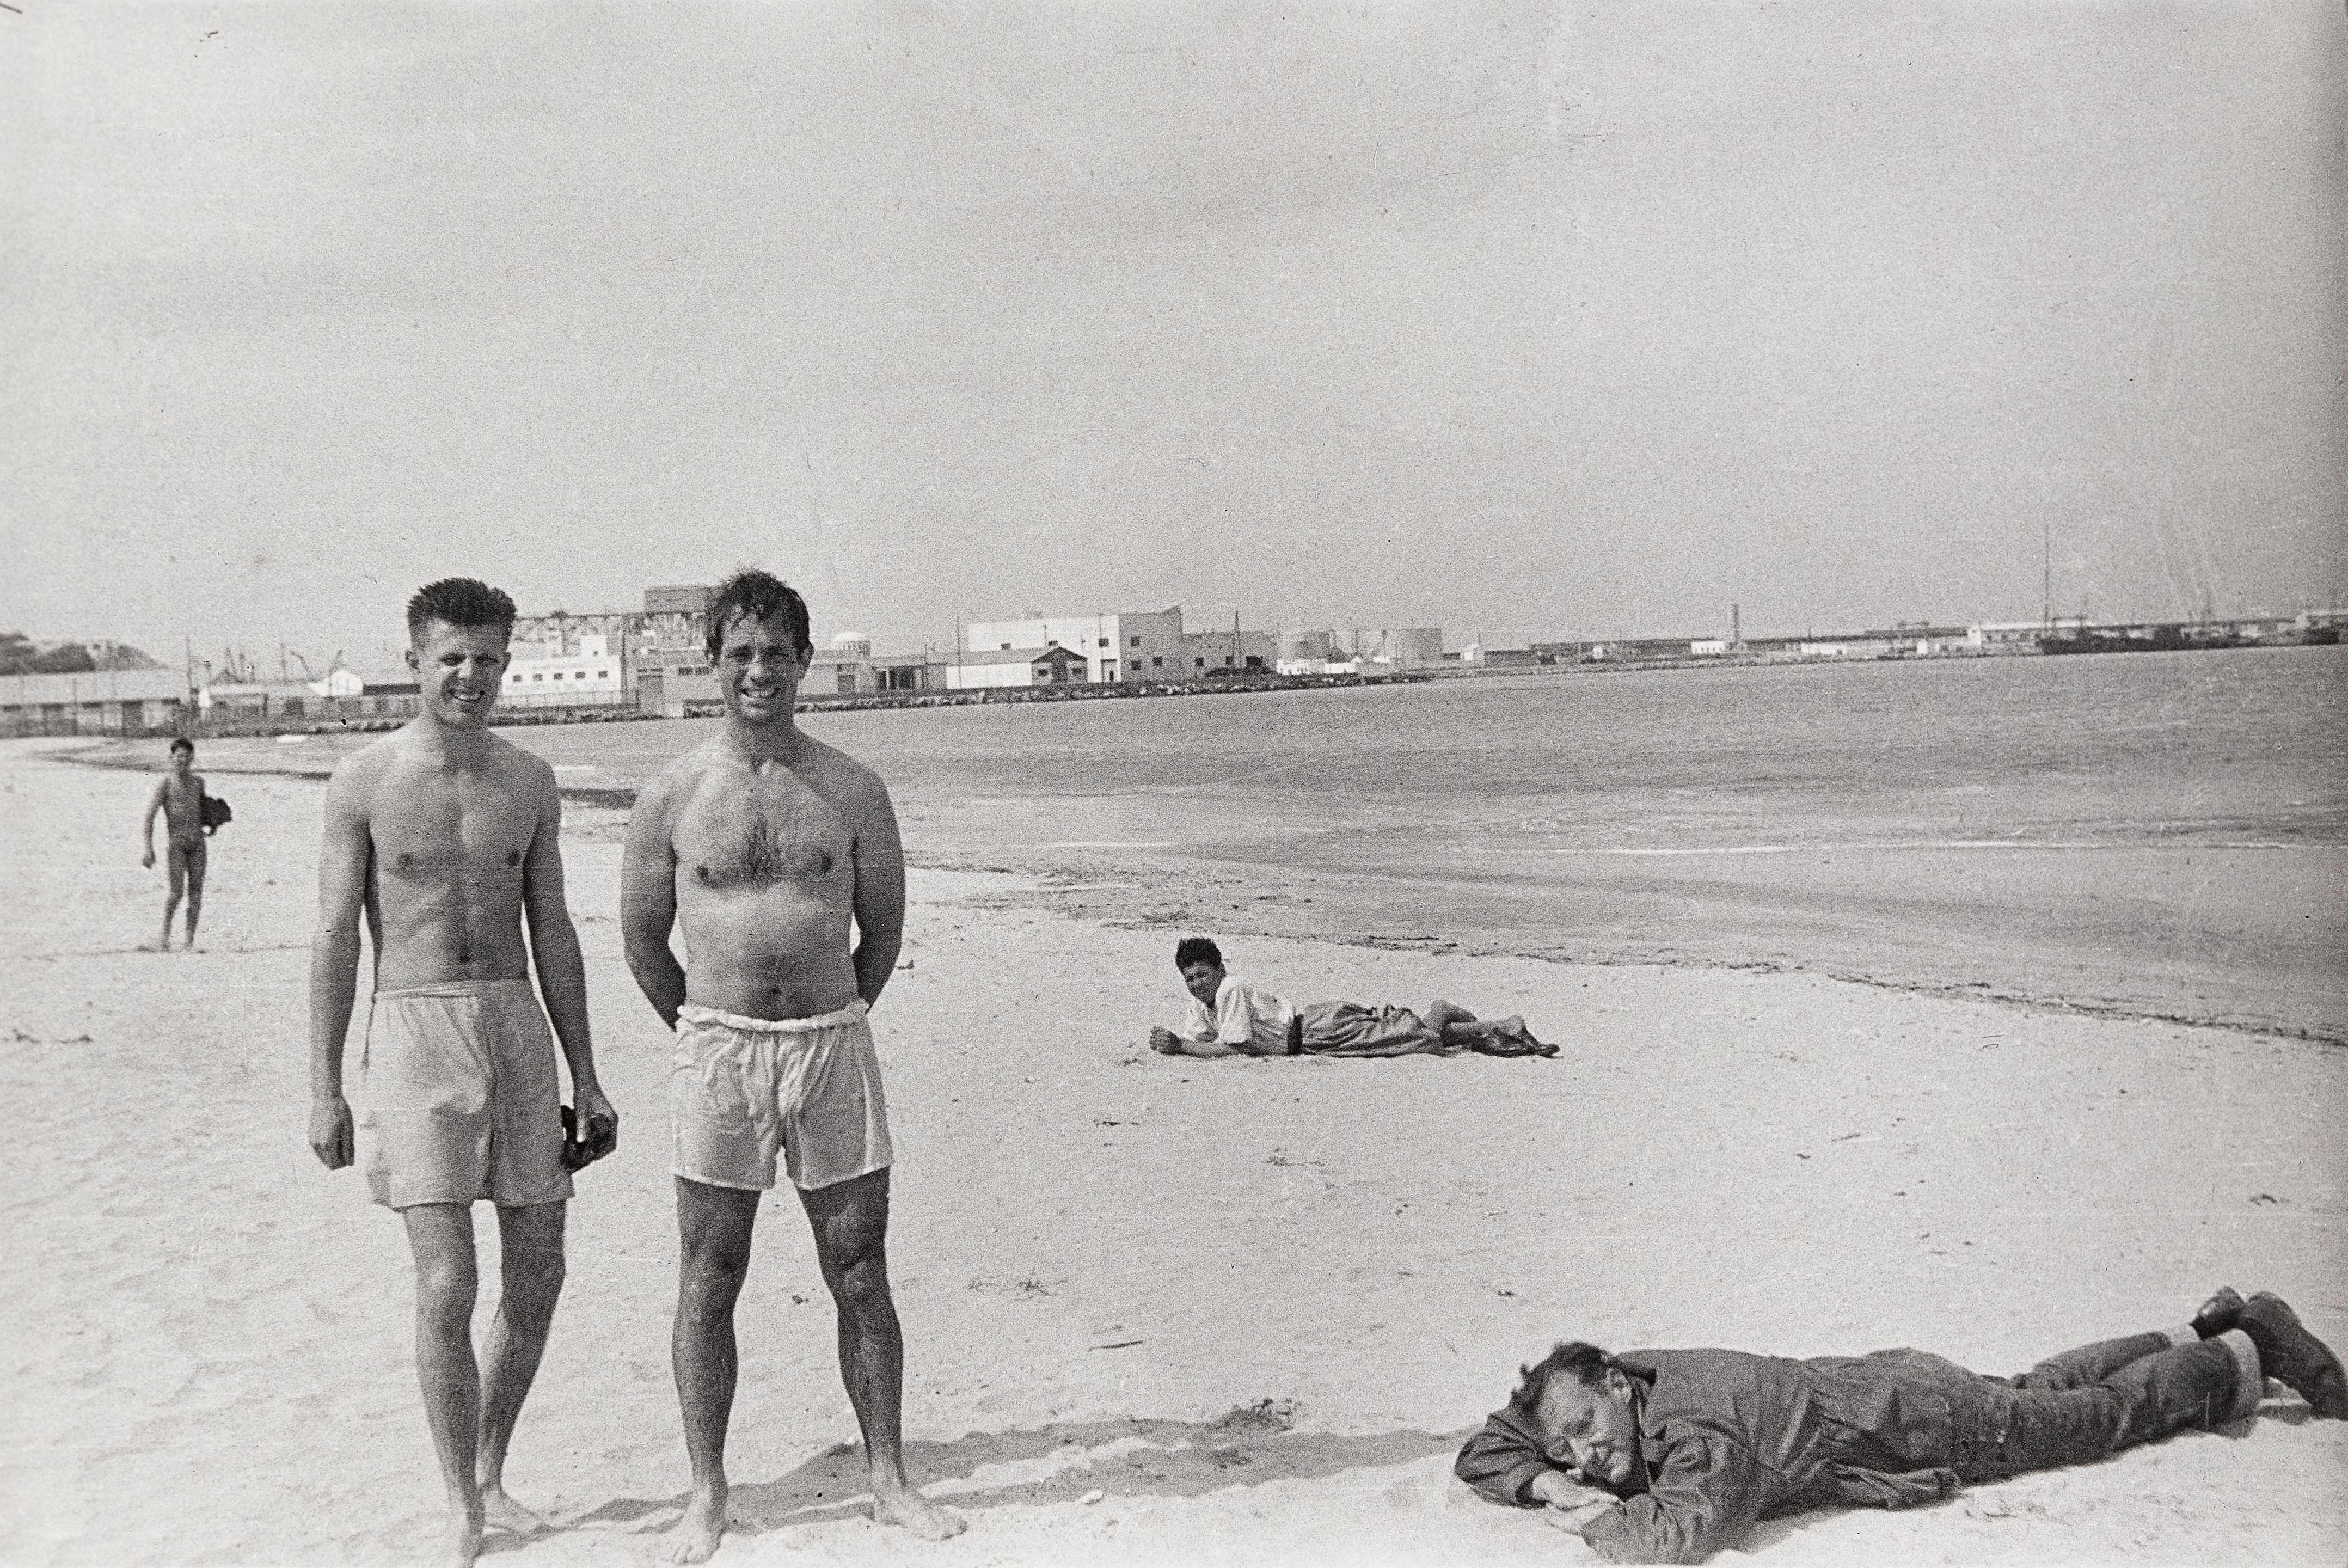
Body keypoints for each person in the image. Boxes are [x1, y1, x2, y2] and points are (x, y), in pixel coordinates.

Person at [620, 568, 964, 1564]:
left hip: (830, 1045)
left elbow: (883, 931)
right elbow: (646, 943)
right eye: (739, 654)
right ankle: (706, 1496)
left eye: (777, 653)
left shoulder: (853, 788)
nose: (758, 671)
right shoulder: (672, 793)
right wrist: (705, 1030)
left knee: (860, 1272)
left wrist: (824, 1014)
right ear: (713, 664)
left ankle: (889, 1480)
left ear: (806, 662)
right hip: (717, 1051)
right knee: (708, 1276)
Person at [306, 577, 618, 1568]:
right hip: (413, 1028)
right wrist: (324, 1084)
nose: (469, 676)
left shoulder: (529, 779)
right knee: (446, 1283)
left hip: (516, 1028)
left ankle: (490, 1469)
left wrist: (590, 1073)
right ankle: (458, 1506)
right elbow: (332, 939)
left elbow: (555, 931)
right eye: (450, 657)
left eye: (487, 659)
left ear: (506, 663)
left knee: (540, 1272)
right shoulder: (362, 780)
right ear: (414, 659)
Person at [1456, 1287, 2347, 1564]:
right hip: (1888, 1382)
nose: (1587, 1456)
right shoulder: (1625, 1376)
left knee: (2098, 1419)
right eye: (1564, 1444)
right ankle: (2196, 1327)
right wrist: (1545, 1475)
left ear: (1612, 1382)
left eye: (1584, 1431)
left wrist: (1586, 1513)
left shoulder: (1696, 1430)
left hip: (1927, 1423)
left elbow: (1674, 1540)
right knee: (2038, 1388)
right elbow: (1487, 1446)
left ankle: (2248, 1344)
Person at [1147, 936, 1556, 1059]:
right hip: (1313, 1036)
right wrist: (1181, 1043)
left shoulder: (1231, 988)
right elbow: (1205, 1042)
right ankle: (1500, 1026)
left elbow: (1233, 1050)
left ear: (1219, 970)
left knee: (1421, 1039)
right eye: (1189, 978)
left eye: (1202, 975)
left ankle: (1441, 1011)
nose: (1196, 984)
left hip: (1315, 1030)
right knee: (1408, 1038)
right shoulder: (1203, 1001)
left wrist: (1180, 1046)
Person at [140, 736, 209, 950]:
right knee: (176, 893)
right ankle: (166, 936)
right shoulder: (165, 785)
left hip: (198, 844)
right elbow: (150, 817)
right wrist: (148, 849)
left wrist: (213, 824)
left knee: (196, 893)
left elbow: (203, 813)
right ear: (171, 758)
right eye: (179, 756)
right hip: (177, 844)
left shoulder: (199, 783)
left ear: (192, 758)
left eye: (187, 757)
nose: (183, 760)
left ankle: (189, 941)